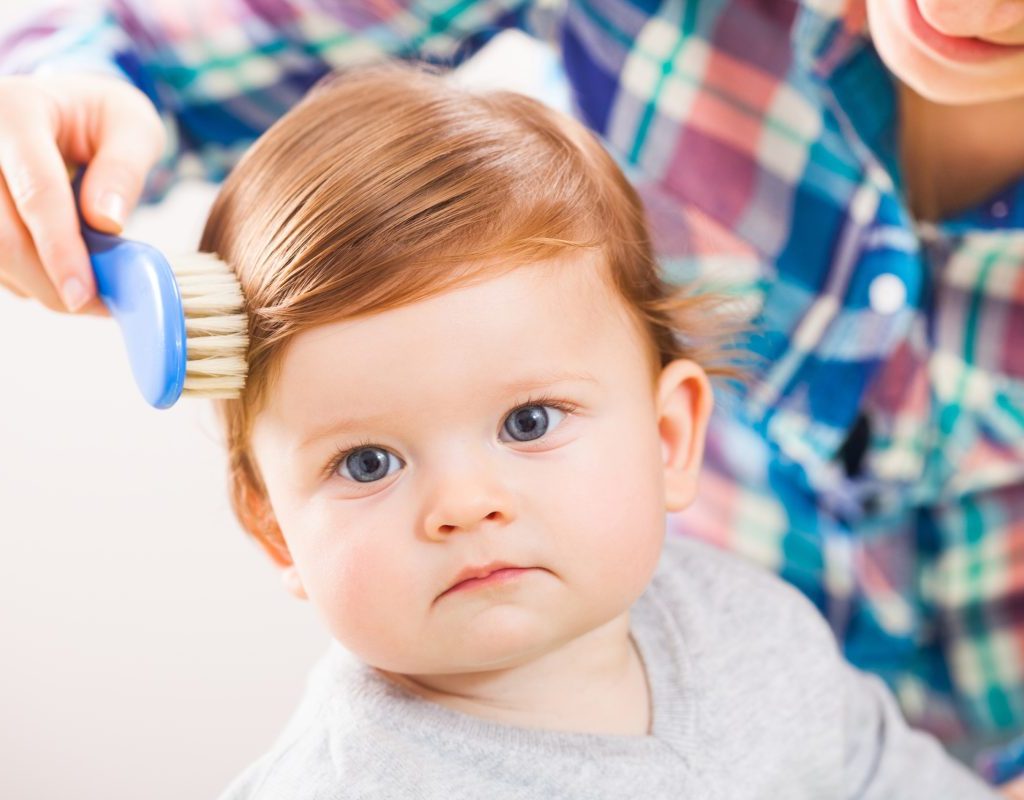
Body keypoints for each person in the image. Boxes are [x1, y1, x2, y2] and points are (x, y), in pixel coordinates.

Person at [2, 0, 1024, 784]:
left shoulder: (763, 639)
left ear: (671, 433)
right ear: (274, 532)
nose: (463, 504)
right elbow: (127, 40)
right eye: (367, 461)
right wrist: (59, 101)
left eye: (528, 422)